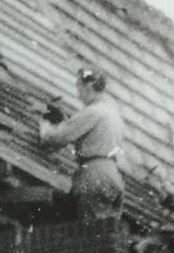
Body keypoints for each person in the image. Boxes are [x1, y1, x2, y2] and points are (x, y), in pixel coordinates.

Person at [39, 66, 125, 221]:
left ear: (89, 86)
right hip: (113, 176)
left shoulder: (94, 111)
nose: (78, 95)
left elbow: (56, 138)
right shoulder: (113, 113)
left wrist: (45, 124)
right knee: (105, 229)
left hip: (94, 176)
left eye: (79, 87)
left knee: (87, 229)